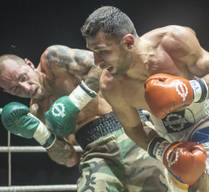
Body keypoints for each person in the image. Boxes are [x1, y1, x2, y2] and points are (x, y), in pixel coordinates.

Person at [78, 6, 209, 192]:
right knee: (183, 177)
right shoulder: (111, 86)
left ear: (128, 42)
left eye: (102, 51)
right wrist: (164, 151)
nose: (96, 61)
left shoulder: (174, 41)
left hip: (207, 118)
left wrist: (187, 90)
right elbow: (133, 128)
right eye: (92, 51)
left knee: (200, 179)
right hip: (168, 134)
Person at [0, 45, 170, 192]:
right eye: (15, 89)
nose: (25, 88)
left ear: (29, 64)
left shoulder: (53, 59)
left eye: (23, 78)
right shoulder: (37, 111)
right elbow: (69, 159)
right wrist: (41, 134)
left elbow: (102, 64)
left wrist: (75, 101)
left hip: (130, 130)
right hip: (95, 152)